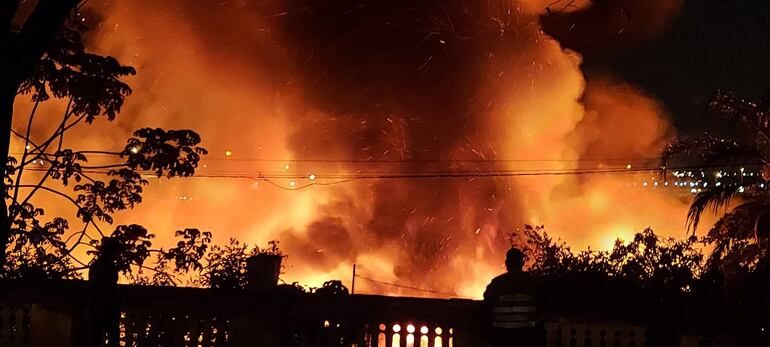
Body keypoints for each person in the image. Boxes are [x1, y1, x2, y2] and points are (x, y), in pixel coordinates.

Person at [483, 247, 539, 347]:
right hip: (527, 336)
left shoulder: (496, 283)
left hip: (502, 336)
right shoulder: (533, 282)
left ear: (506, 263)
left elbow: (487, 302)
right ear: (522, 263)